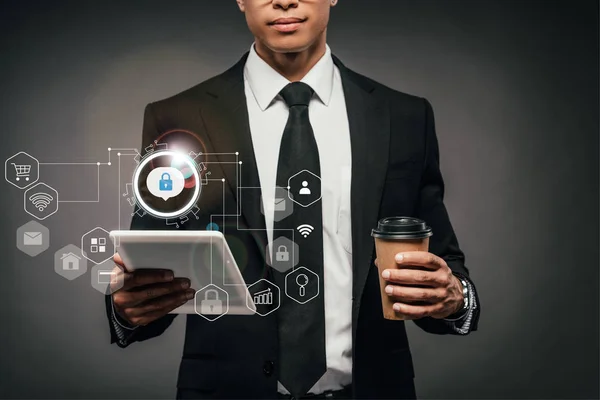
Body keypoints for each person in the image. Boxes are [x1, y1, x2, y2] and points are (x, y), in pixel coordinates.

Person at [105, 0, 481, 399]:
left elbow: (444, 269)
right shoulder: (179, 116)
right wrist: (127, 309)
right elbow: (148, 266)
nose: (284, 0)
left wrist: (454, 298)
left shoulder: (404, 117)